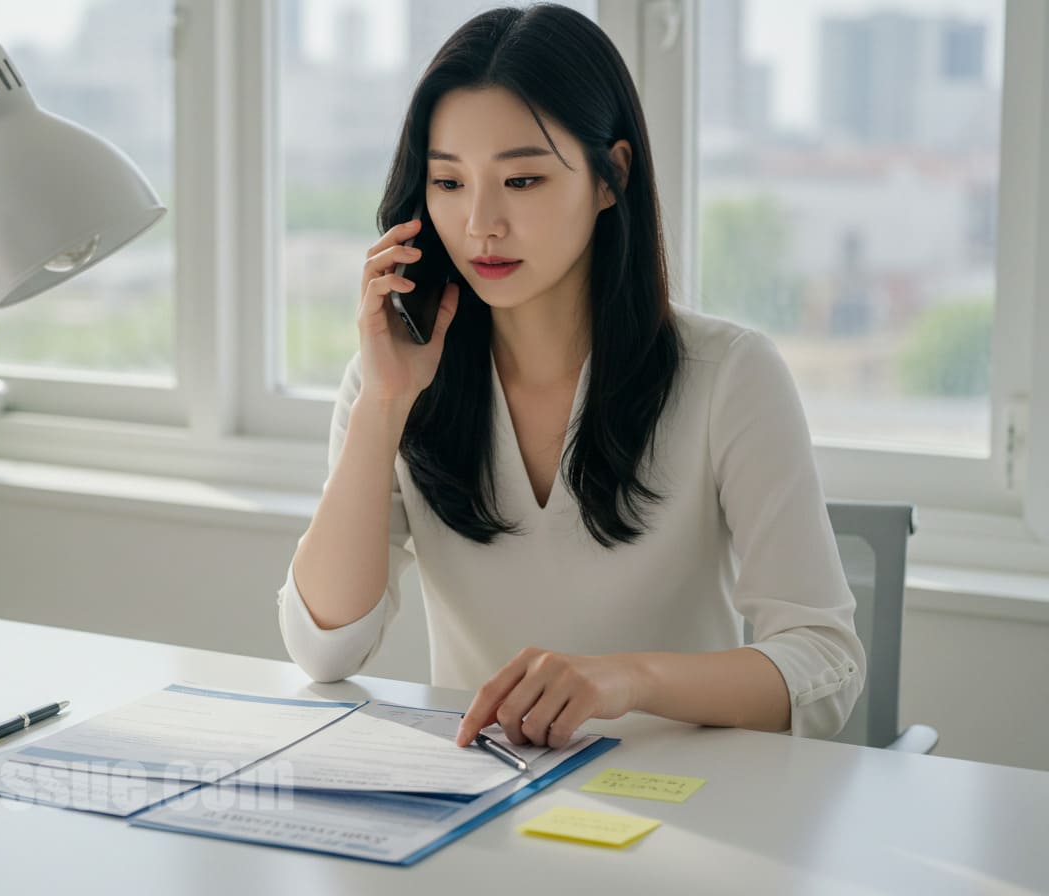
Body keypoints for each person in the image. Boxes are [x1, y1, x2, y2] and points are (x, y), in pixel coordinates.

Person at [277, 3, 864, 749]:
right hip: (480, 810)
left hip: (689, 805)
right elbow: (326, 649)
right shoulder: (391, 383)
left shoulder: (730, 376)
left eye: (521, 181)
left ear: (610, 176)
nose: (481, 223)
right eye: (449, 183)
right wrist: (384, 404)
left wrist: (627, 681)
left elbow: (827, 663)